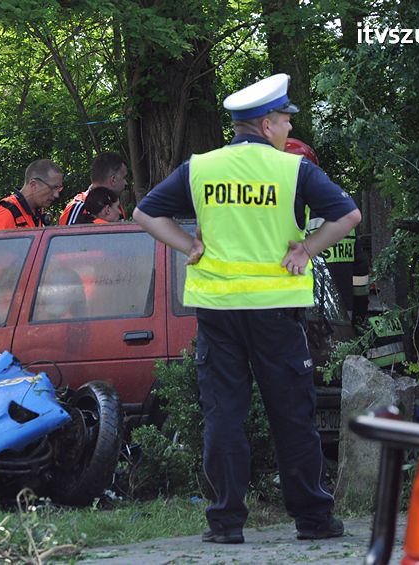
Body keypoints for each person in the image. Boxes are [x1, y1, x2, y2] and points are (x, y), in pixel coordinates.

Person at [133, 73, 361, 544]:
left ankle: (225, 524)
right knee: (292, 414)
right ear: (266, 123)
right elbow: (349, 215)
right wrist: (306, 250)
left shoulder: (201, 168)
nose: (287, 128)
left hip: (217, 311)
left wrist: (187, 245)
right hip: (277, 310)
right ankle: (314, 521)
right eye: (284, 120)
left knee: (224, 415)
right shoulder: (291, 170)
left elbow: (144, 213)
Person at [283, 138, 369, 327]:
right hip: (343, 314)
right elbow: (360, 270)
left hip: (303, 313)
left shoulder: (287, 214)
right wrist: (360, 313)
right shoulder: (339, 212)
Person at [0, 159, 64, 232]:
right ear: (34, 185)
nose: (56, 195)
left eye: (59, 189)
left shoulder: (37, 212)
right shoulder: (5, 213)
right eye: (53, 188)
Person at [58, 151, 128, 225]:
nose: (126, 183)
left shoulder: (115, 206)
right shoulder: (77, 208)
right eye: (124, 178)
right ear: (113, 179)